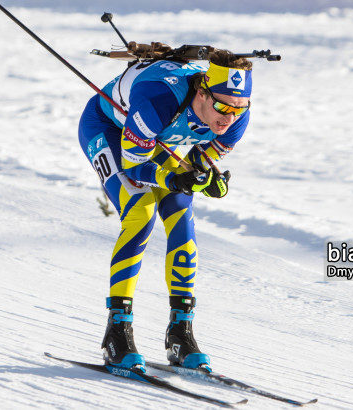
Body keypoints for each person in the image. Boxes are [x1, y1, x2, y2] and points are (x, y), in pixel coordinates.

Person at [78, 49, 252, 371]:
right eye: (223, 107)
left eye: (239, 109)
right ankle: (117, 333)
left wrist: (207, 181)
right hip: (108, 130)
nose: (229, 119)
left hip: (154, 141)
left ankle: (181, 334)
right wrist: (176, 178)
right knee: (140, 213)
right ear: (201, 92)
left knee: (181, 216)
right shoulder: (160, 98)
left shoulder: (235, 119)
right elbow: (134, 169)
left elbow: (198, 163)